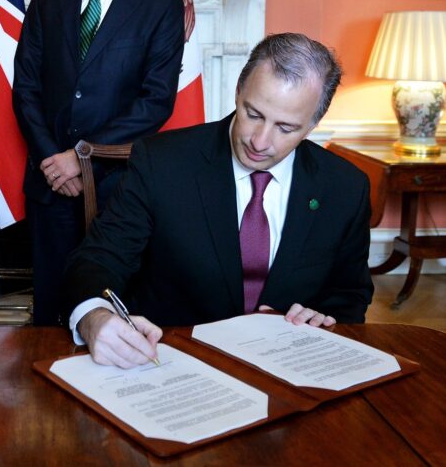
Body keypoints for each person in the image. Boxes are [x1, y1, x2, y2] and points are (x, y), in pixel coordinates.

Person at [64, 33, 373, 368]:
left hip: (288, 371)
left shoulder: (345, 187)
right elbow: (100, 258)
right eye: (253, 113)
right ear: (238, 90)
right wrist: (94, 316)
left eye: (286, 128)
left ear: (313, 124)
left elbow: (349, 296)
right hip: (173, 362)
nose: (260, 141)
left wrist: (322, 320)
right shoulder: (161, 161)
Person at [12, 0, 184, 326]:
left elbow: (156, 101)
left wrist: (81, 158)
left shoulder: (162, 8)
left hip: (116, 186)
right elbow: (26, 87)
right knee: (49, 308)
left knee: (111, 306)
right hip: (50, 184)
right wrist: (54, 158)